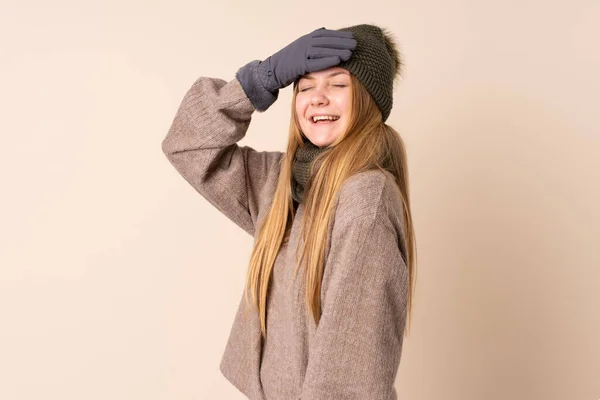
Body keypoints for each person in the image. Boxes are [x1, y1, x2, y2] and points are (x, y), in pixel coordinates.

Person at [162, 23, 418, 400]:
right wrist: (258, 80)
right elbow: (188, 145)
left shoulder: (366, 200)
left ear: (369, 99)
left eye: (338, 83)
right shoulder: (281, 184)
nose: (317, 97)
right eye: (304, 85)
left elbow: (348, 381)